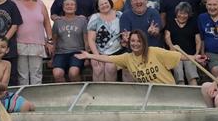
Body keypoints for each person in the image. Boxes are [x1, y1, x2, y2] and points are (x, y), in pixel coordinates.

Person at [76, 30, 205, 84]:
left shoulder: (154, 51)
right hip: (149, 93)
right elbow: (108, 59)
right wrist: (88, 55)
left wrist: (194, 57)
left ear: (143, 42)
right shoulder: (127, 58)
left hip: (166, 88)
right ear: (129, 43)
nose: (135, 44)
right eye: (133, 41)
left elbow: (179, 56)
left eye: (138, 41)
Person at [13, 0, 53, 85]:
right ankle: (24, 99)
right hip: (20, 44)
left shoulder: (40, 3)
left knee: (36, 73)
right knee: (23, 75)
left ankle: (37, 98)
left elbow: (47, 23)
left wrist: (49, 41)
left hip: (37, 44)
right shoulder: (14, 3)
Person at [87, 0, 124, 81]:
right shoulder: (95, 17)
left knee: (110, 67)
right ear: (98, 7)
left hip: (116, 52)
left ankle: (109, 93)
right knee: (98, 68)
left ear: (110, 3)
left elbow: (125, 33)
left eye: (106, 3)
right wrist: (97, 56)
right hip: (98, 52)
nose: (104, 6)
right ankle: (97, 93)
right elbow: (91, 39)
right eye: (101, 5)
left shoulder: (119, 15)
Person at [51, 0, 88, 82]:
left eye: (72, 4)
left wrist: (87, 58)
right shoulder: (58, 22)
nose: (69, 6)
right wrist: (52, 58)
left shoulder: (82, 21)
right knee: (57, 73)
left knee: (73, 72)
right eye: (67, 4)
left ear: (75, 7)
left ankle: (78, 92)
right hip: (61, 53)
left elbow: (86, 40)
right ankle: (64, 94)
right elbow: (54, 41)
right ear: (63, 7)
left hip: (77, 52)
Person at [164, 2, 201, 85]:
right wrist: (171, 47)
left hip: (189, 55)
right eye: (180, 13)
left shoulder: (193, 23)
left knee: (192, 75)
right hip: (176, 55)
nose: (182, 16)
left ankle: (194, 94)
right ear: (177, 13)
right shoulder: (171, 22)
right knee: (179, 74)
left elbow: (198, 40)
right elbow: (167, 36)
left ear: (189, 14)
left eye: (185, 14)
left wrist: (196, 54)